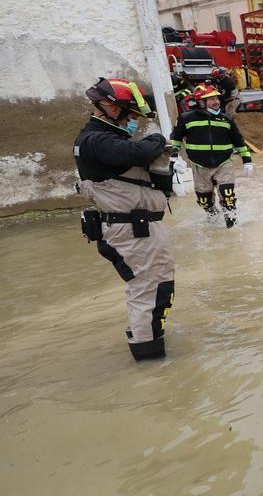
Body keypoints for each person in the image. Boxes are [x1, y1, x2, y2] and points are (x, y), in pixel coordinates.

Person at [74, 77, 176, 361]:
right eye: (131, 116)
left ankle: (148, 343)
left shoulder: (103, 140)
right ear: (108, 106)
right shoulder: (97, 140)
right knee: (151, 289)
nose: (133, 122)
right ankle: (151, 360)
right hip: (134, 231)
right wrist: (157, 139)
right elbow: (139, 151)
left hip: (135, 228)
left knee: (151, 288)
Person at [170, 82, 253, 227]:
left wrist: (247, 160)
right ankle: (213, 219)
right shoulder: (186, 119)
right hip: (199, 165)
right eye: (211, 99)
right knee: (204, 200)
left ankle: (232, 226)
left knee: (227, 195)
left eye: (217, 98)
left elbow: (239, 141)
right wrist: (174, 158)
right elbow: (176, 139)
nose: (216, 102)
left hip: (223, 163)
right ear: (201, 102)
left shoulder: (226, 119)